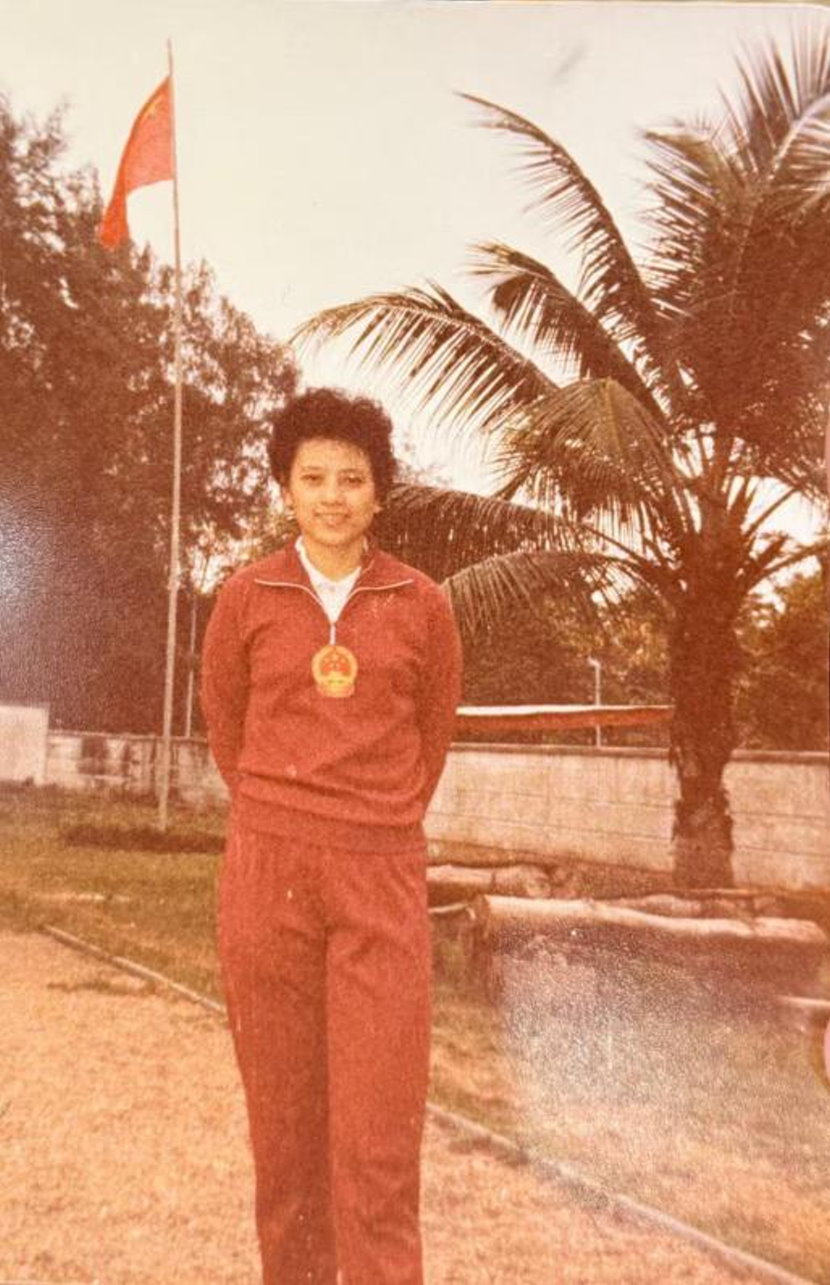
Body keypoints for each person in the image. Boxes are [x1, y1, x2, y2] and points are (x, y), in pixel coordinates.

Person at [200, 387, 463, 1285]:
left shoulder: (421, 603)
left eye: (352, 478)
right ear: (286, 487)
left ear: (380, 492)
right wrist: (283, 815)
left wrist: (370, 820)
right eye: (313, 477)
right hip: (268, 871)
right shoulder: (246, 596)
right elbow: (227, 727)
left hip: (379, 872)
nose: (333, 496)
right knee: (286, 1140)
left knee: (378, 1142)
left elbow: (431, 735)